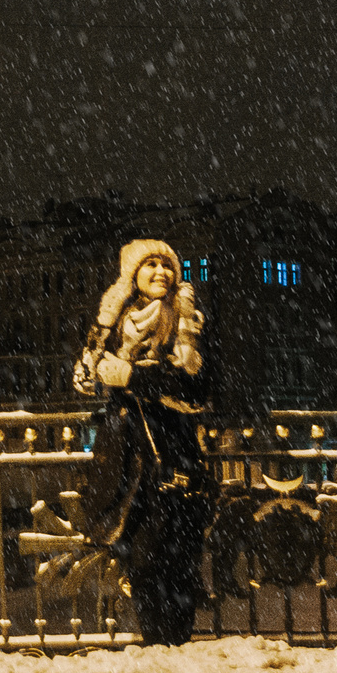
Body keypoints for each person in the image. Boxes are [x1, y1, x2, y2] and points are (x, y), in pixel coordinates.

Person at [71, 237, 213, 643]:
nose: (161, 272)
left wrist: (132, 376)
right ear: (132, 274)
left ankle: (176, 641)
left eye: (167, 265)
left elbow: (196, 388)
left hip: (171, 450)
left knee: (177, 555)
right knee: (140, 556)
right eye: (150, 265)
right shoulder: (116, 320)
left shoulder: (186, 319)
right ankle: (154, 643)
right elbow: (84, 377)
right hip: (124, 454)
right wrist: (103, 333)